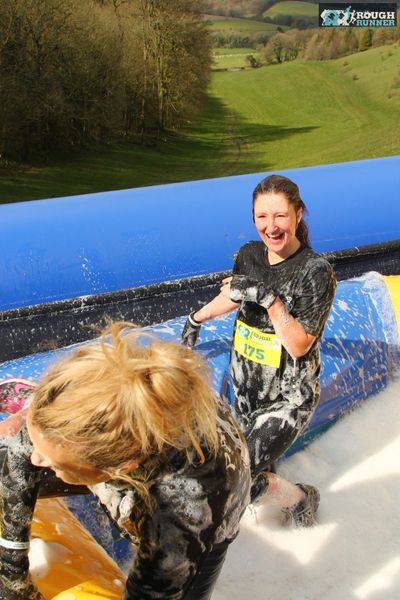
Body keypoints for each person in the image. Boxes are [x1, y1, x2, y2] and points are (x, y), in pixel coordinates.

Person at [0, 323, 251, 599]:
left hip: (216, 492)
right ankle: (26, 407)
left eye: (53, 460)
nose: (36, 456)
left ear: (119, 470)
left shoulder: (186, 508)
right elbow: (20, 462)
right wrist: (12, 579)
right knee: (13, 448)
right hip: (119, 449)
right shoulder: (64, 413)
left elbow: (150, 592)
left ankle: (279, 490)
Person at [182, 174, 336, 527]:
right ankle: (275, 498)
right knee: (241, 470)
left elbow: (299, 344)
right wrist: (196, 318)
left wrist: (265, 296)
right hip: (246, 393)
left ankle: (301, 500)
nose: (272, 227)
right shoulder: (248, 255)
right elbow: (233, 295)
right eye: (262, 217)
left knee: (235, 482)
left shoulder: (315, 272)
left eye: (280, 215)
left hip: (287, 400)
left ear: (298, 214)